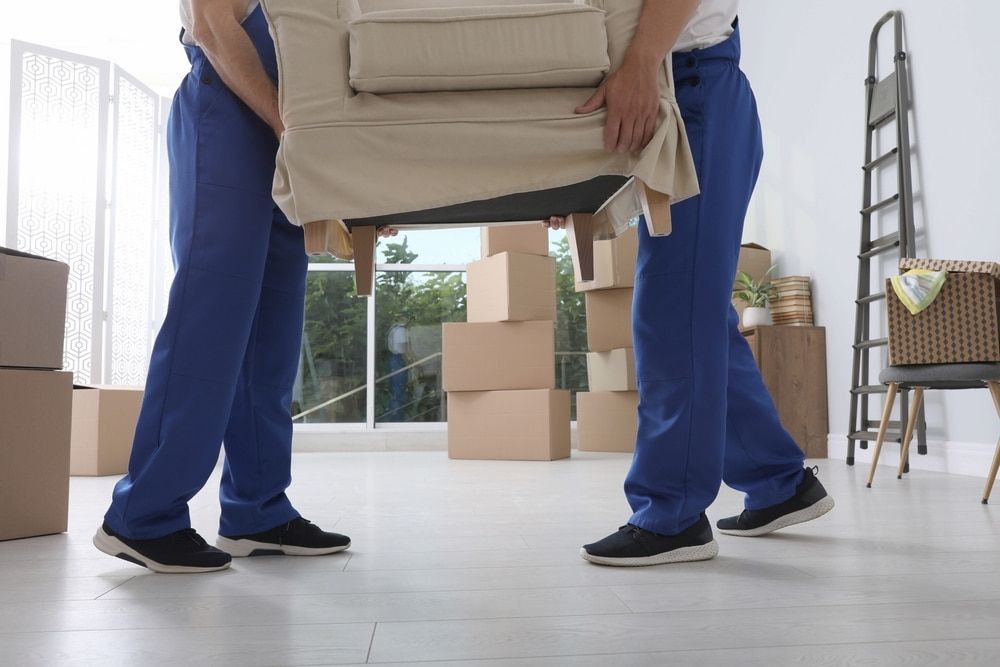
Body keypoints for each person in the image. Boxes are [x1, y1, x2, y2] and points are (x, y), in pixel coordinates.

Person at [93, 0, 391, 573]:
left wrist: (358, 173)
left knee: (271, 340)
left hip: (296, 140)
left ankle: (258, 510)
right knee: (212, 320)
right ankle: (144, 515)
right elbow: (209, 24)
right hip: (230, 115)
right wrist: (289, 128)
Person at [548, 0, 834, 566]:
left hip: (690, 86)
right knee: (698, 314)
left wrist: (642, 62)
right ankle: (779, 482)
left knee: (675, 314)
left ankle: (671, 515)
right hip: (679, 88)